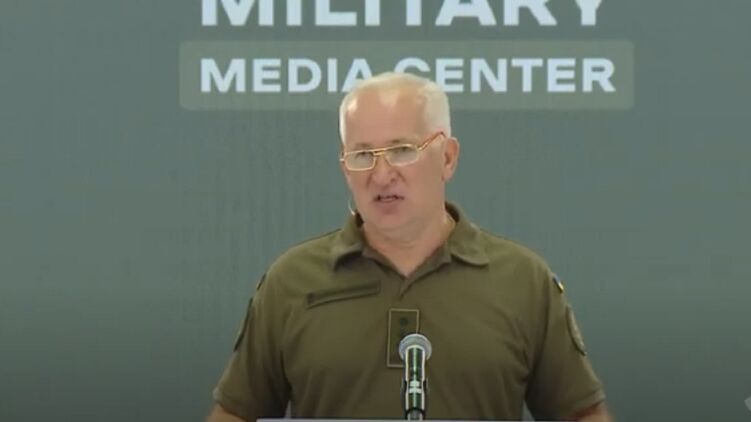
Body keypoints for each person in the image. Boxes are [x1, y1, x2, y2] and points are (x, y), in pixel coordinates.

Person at [207, 72, 612, 422]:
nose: (382, 175)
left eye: (402, 150)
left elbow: (580, 413)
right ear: (345, 168)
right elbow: (236, 412)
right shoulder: (292, 281)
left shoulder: (522, 281)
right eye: (362, 155)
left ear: (448, 158)